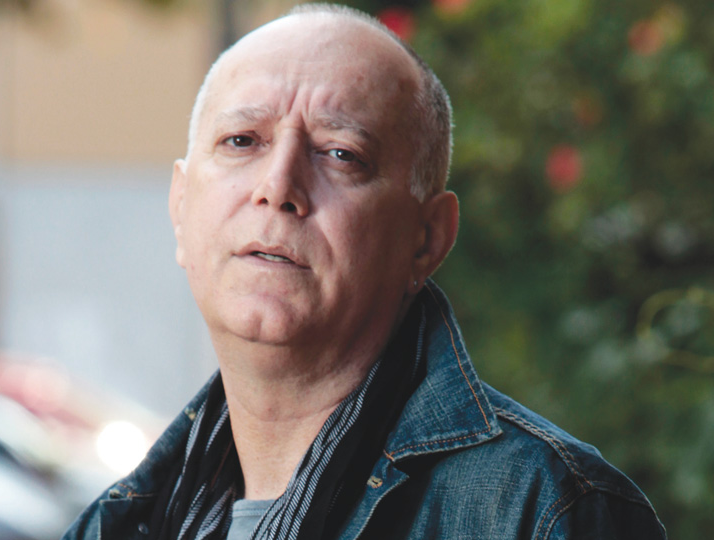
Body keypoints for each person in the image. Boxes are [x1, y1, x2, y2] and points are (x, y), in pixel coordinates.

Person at [63, 4, 667, 539]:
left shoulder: (546, 512)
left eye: (340, 154)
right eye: (242, 141)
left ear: (427, 239)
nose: (277, 186)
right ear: (180, 207)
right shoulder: (115, 524)